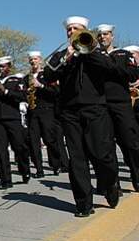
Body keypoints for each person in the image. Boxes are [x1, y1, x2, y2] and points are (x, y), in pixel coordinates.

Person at [44, 16, 119, 217]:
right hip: (69, 112)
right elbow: (47, 76)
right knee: (77, 159)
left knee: (102, 154)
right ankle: (83, 204)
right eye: (69, 29)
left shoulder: (96, 51)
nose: (71, 32)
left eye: (76, 28)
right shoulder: (61, 55)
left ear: (85, 31)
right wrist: (65, 59)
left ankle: (110, 183)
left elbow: (111, 69)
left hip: (95, 109)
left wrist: (88, 51)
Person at [96, 24, 139, 192]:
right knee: (106, 147)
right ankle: (114, 185)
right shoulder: (93, 55)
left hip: (121, 103)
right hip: (101, 105)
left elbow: (133, 74)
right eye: (99, 35)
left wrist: (109, 63)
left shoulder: (123, 54)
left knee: (131, 143)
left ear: (112, 36)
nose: (102, 38)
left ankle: (137, 176)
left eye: (105, 34)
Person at [25, 51, 69, 177]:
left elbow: (55, 92)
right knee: (33, 142)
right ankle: (39, 169)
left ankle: (55, 165)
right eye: (31, 60)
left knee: (50, 139)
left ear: (40, 60)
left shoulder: (47, 75)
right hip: (32, 111)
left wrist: (41, 86)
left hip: (47, 110)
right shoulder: (27, 77)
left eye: (35, 59)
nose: (33, 62)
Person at [0, 55, 31, 189]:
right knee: (1, 150)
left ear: (9, 67)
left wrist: (6, 91)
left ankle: (25, 170)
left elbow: (21, 96)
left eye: (4, 66)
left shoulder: (16, 80)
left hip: (12, 117)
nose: (1, 69)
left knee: (19, 146)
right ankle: (5, 180)